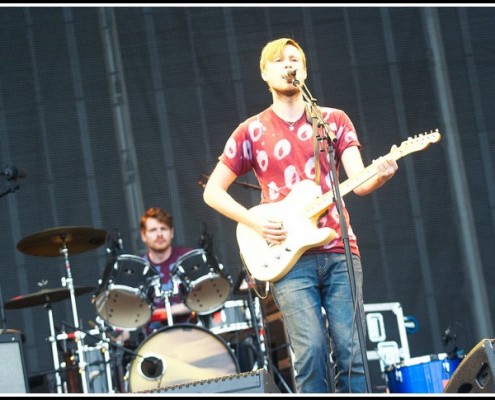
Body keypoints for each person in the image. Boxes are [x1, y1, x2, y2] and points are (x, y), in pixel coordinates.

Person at [203, 38, 398, 393]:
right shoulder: (252, 130)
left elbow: (360, 181)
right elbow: (212, 191)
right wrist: (254, 220)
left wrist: (380, 173)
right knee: (311, 353)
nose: (287, 65)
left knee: (352, 353)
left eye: (294, 60)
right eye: (278, 61)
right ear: (264, 73)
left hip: (339, 250)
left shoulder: (333, 121)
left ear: (304, 71)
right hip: (289, 259)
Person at [139, 206, 194, 333]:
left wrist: (165, 312)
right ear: (143, 235)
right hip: (154, 342)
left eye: (163, 229)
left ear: (172, 232)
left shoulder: (188, 258)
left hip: (192, 333)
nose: (159, 234)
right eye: (153, 230)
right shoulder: (138, 269)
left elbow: (205, 298)